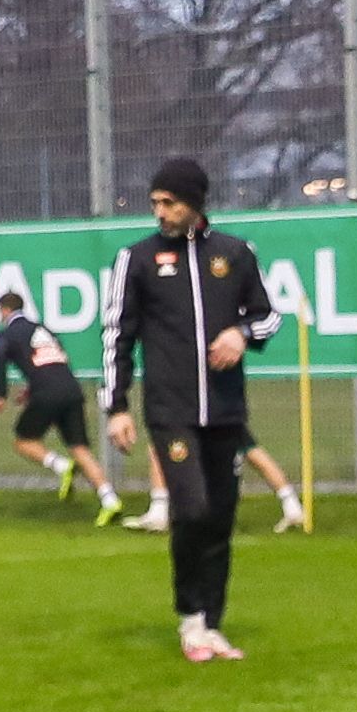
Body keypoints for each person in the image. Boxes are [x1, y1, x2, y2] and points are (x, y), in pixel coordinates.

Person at [101, 156, 280, 662]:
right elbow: (117, 335)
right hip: (170, 410)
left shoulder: (235, 254)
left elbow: (269, 318)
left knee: (221, 518)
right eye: (155, 202)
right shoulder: (135, 259)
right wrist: (116, 407)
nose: (159, 211)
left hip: (224, 411)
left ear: (194, 204)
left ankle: (213, 625)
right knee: (192, 508)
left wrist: (240, 334)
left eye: (169, 202)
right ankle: (189, 618)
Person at [0, 291, 121, 525]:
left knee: (23, 441)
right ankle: (110, 500)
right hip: (71, 390)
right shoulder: (44, 330)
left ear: (4, 311)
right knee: (80, 448)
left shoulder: (8, 333)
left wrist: (0, 396)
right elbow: (55, 361)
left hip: (46, 393)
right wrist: (30, 389)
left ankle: (61, 466)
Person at [123, 427, 304, 536]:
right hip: (214, 406)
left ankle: (160, 512)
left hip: (208, 408)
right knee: (160, 447)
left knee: (162, 445)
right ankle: (292, 506)